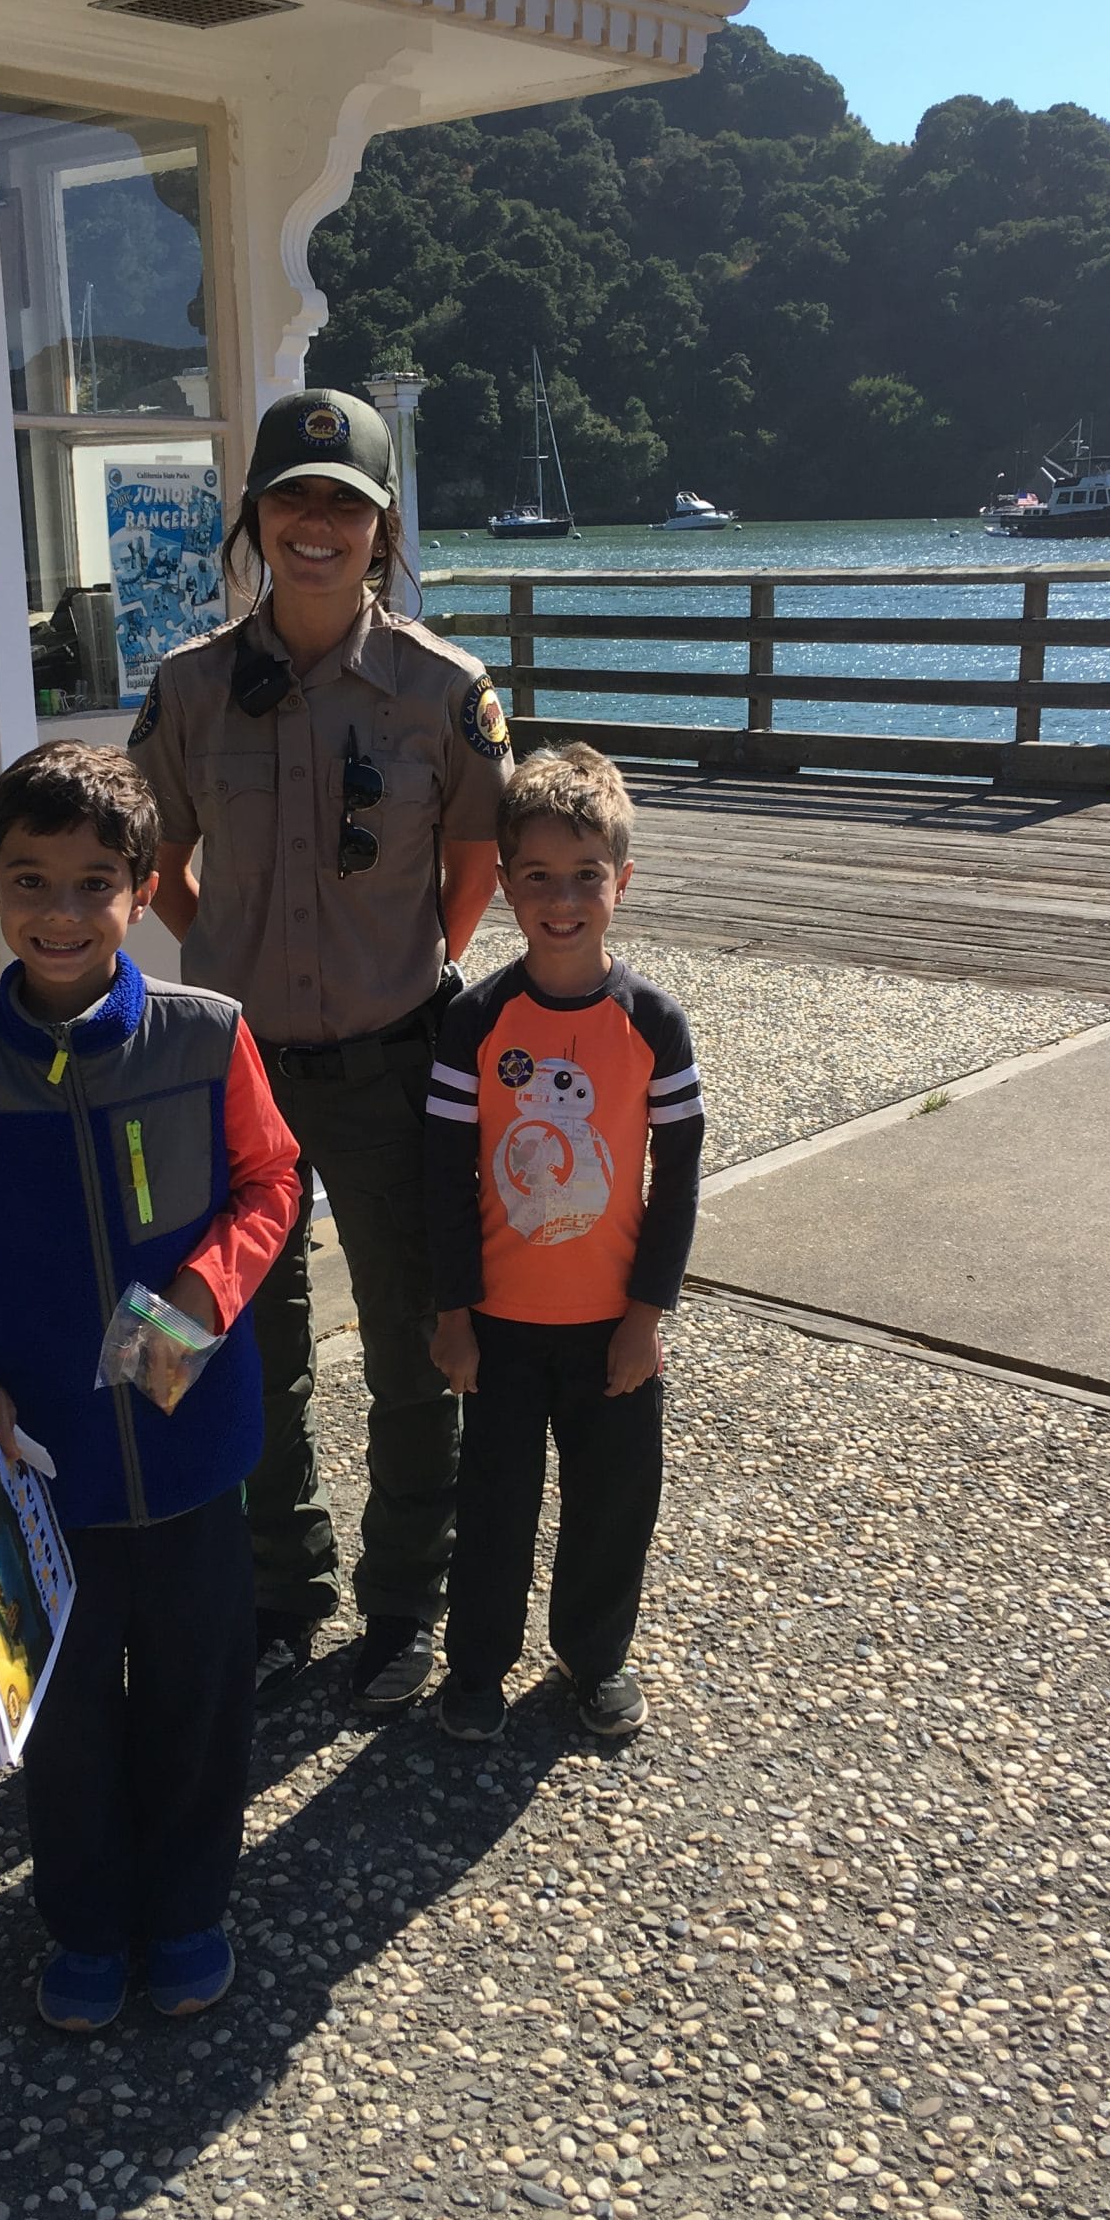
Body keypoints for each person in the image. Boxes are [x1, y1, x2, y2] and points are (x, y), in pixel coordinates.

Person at [0, 742, 300, 2034]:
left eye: (93, 884)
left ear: (145, 887)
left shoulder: (208, 1035)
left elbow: (271, 1183)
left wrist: (206, 1296)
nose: (59, 914)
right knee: (62, 1728)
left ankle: (185, 1912)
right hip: (43, 1476)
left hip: (192, 1464)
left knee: (196, 1701)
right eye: (29, 881)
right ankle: (81, 1922)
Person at [128, 389, 512, 1717]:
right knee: (246, 1341)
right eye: (292, 498)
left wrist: (401, 969)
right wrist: (216, 939)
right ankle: (285, 1597)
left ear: (382, 525)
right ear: (255, 516)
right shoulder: (186, 693)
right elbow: (151, 863)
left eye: (343, 503)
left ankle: (406, 1602)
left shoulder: (441, 694)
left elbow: (474, 867)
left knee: (417, 1340)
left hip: (392, 1063)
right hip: (232, 1075)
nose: (316, 524)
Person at [423, 744, 704, 1743]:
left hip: (610, 1332)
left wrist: (646, 1317)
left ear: (621, 882)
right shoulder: (475, 1021)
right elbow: (445, 1178)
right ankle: (477, 1666)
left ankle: (595, 1657)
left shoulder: (653, 1026)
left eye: (586, 876)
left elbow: (677, 1182)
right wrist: (453, 1315)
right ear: (503, 885)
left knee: (611, 1505)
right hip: (497, 1327)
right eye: (537, 876)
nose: (562, 898)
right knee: (493, 1509)